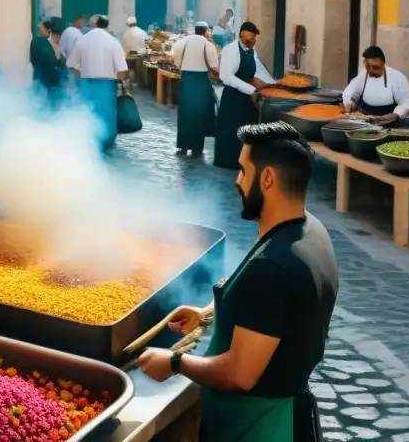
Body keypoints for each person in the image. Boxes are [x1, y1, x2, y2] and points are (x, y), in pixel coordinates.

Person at [138, 121, 338, 441]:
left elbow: (239, 374)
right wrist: (207, 314)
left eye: (244, 172)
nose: (237, 182)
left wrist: (174, 361)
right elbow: (275, 312)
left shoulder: (274, 267)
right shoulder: (310, 231)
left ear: (268, 178)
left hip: (255, 427)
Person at [214, 22, 275, 170]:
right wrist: (251, 90)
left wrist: (270, 85)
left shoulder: (250, 51)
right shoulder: (230, 51)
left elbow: (252, 74)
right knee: (232, 130)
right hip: (233, 98)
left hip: (247, 97)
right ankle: (230, 162)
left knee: (247, 129)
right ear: (241, 37)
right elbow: (226, 76)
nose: (252, 43)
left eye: (254, 40)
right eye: (249, 41)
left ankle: (245, 160)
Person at [66, 15, 129, 150]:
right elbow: (123, 71)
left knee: (87, 114)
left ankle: (87, 141)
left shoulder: (82, 40)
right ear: (106, 25)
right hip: (106, 87)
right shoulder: (113, 42)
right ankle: (106, 145)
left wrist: (80, 76)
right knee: (106, 116)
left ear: (93, 25)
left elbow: (70, 64)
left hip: (86, 85)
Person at [172, 22, 219, 157]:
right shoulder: (208, 45)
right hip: (200, 82)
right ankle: (197, 148)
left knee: (185, 114)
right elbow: (214, 67)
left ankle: (183, 146)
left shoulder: (184, 41)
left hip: (186, 80)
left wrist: (181, 64)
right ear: (205, 31)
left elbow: (173, 57)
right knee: (199, 115)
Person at [341, 46, 409, 125]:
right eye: (368, 67)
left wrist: (397, 114)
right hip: (366, 123)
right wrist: (348, 103)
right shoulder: (363, 75)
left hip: (391, 123)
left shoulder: (396, 77)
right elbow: (348, 93)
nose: (371, 70)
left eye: (375, 67)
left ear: (383, 64)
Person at [29, 19, 61, 102]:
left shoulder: (39, 42)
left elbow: (33, 60)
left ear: (48, 30)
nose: (39, 31)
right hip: (47, 76)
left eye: (40, 29)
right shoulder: (40, 42)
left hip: (45, 76)